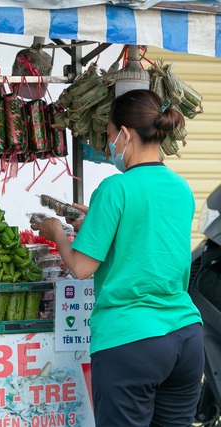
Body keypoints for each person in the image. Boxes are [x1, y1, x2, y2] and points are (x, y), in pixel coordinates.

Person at [32, 89, 203, 427]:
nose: (108, 145)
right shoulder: (180, 187)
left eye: (109, 135)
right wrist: (95, 221)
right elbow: (146, 240)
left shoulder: (115, 189)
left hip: (132, 340)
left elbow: (81, 267)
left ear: (125, 134)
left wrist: (57, 234)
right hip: (186, 336)